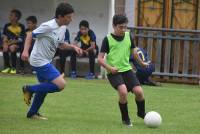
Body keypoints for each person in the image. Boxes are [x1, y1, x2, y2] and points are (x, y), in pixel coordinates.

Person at [21, 2, 82, 120]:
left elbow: (61, 45)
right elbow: (30, 35)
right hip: (39, 60)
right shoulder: (48, 25)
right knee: (61, 84)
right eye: (69, 17)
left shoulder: (63, 27)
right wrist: (25, 51)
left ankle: (32, 113)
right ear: (60, 16)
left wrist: (73, 47)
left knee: (44, 88)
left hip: (46, 61)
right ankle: (29, 89)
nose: (71, 19)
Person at [98, 14, 148, 127]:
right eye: (120, 27)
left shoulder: (128, 36)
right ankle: (125, 119)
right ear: (114, 26)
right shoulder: (107, 39)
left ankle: (141, 113)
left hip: (127, 70)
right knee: (123, 92)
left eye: (125, 27)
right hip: (114, 72)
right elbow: (99, 58)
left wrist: (142, 63)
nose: (123, 29)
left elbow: (134, 52)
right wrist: (109, 68)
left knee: (139, 92)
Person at [1, 9, 25, 74]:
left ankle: (13, 68)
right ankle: (7, 67)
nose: (9, 16)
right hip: (9, 43)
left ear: (16, 18)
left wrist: (10, 43)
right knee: (5, 47)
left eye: (11, 15)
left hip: (19, 44)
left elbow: (21, 39)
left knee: (12, 47)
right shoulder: (7, 25)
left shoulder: (21, 26)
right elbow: (4, 35)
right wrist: (5, 43)